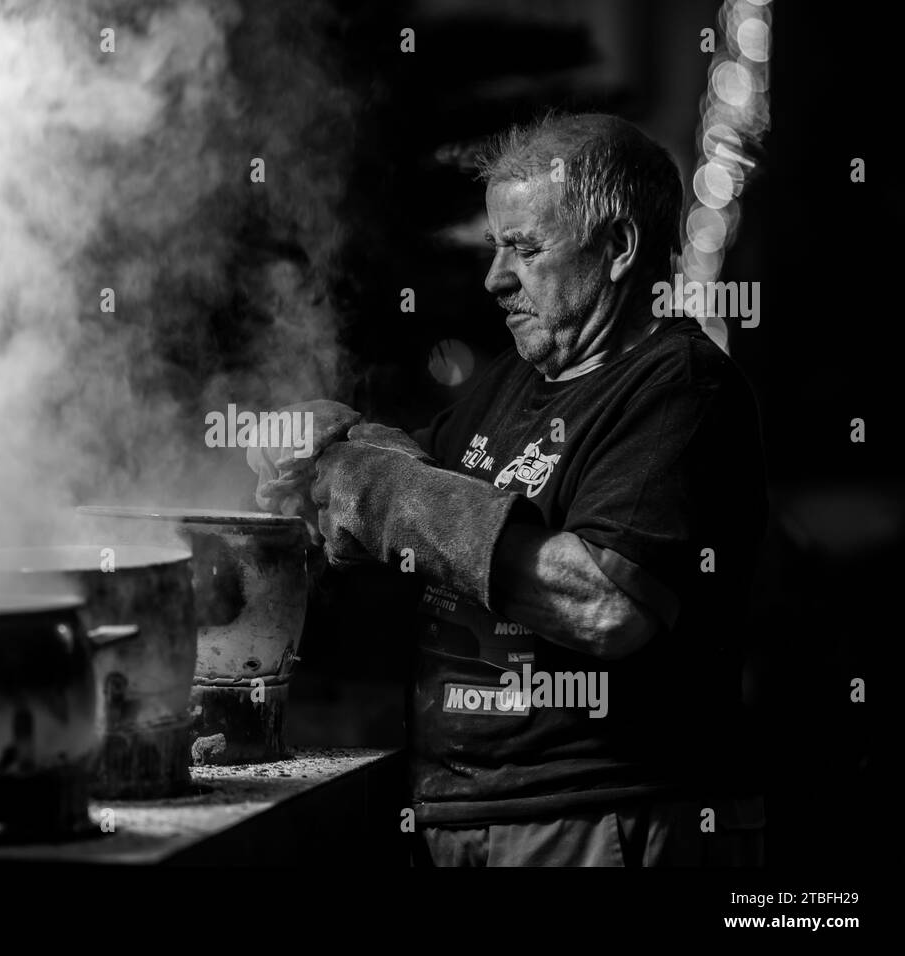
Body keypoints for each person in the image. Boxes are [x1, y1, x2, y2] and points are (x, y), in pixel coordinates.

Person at [257, 113, 767, 866]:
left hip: (598, 818)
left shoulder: (679, 387)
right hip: (466, 807)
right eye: (496, 246)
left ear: (618, 248)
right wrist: (338, 439)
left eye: (525, 248)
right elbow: (420, 491)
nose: (495, 278)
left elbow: (607, 604)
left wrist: (371, 484)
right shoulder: (516, 380)